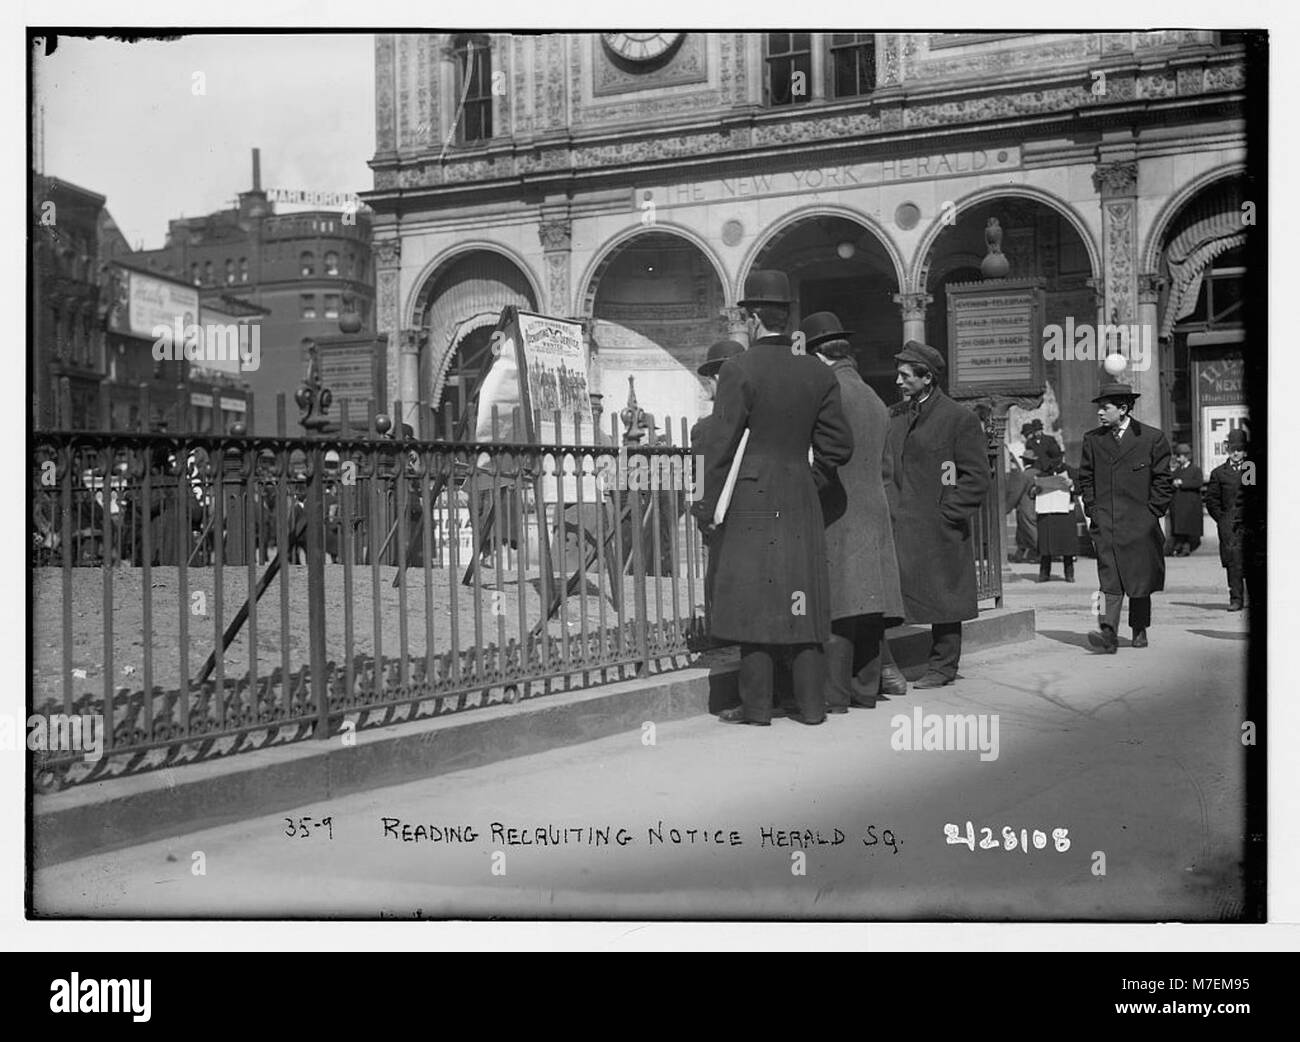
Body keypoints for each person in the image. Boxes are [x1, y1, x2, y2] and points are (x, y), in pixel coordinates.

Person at [691, 270, 854, 726]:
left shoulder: (740, 368)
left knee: (753, 601)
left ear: (754, 318)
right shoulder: (816, 372)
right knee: (799, 596)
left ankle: (758, 709)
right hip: (799, 494)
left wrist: (704, 506)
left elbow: (717, 446)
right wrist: (808, 479)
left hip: (751, 497)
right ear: (787, 316)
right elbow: (839, 447)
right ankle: (812, 706)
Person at [800, 312, 906, 711]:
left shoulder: (828, 392)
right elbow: (886, 468)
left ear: (818, 356)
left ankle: (835, 695)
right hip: (873, 508)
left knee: (840, 603)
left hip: (838, 506)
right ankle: (865, 690)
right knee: (869, 600)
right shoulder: (874, 397)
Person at [883, 341, 990, 688]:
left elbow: (974, 476)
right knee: (893, 594)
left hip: (939, 526)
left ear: (926, 377)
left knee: (946, 599)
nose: (898, 381)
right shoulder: (895, 415)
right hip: (901, 523)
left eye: (905, 375)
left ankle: (943, 667)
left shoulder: (959, 419)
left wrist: (949, 512)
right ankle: (885, 667)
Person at [1078, 381, 1173, 652]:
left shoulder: (1151, 438)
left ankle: (1139, 629)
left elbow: (1163, 480)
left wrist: (1152, 512)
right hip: (1106, 523)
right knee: (1108, 581)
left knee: (1139, 580)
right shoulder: (1093, 439)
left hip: (1140, 524)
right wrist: (1093, 510)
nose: (1099, 413)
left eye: (1104, 407)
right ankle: (1107, 632)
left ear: (1122, 408)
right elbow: (1085, 479)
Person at [689, 338, 746, 630]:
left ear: (717, 379)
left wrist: (701, 517)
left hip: (720, 522)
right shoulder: (760, 420)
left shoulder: (704, 429)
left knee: (721, 582)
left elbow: (699, 479)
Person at [1204, 427, 1251, 611]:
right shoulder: (1219, 473)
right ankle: (1236, 599)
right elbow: (1211, 501)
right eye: (1232, 449)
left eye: (1239, 450)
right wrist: (1223, 519)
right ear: (1227, 450)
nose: (1236, 453)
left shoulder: (1250, 469)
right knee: (1233, 563)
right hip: (1229, 527)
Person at [1027, 437, 1077, 582]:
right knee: (1046, 544)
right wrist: (1035, 490)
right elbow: (1030, 491)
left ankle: (1069, 573)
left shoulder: (1070, 471)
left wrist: (1071, 484)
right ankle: (1044, 573)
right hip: (1047, 511)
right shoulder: (1042, 472)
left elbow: (1081, 487)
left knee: (1067, 544)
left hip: (1065, 510)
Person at [1165, 442, 1204, 556]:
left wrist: (1182, 483)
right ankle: (1178, 546)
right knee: (1178, 527)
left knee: (1187, 526)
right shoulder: (1177, 470)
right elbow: (1169, 482)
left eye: (1180, 456)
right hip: (1178, 504)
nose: (1177, 458)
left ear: (1186, 456)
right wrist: (1173, 482)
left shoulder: (1195, 469)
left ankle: (1185, 547)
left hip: (1190, 504)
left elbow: (1198, 483)